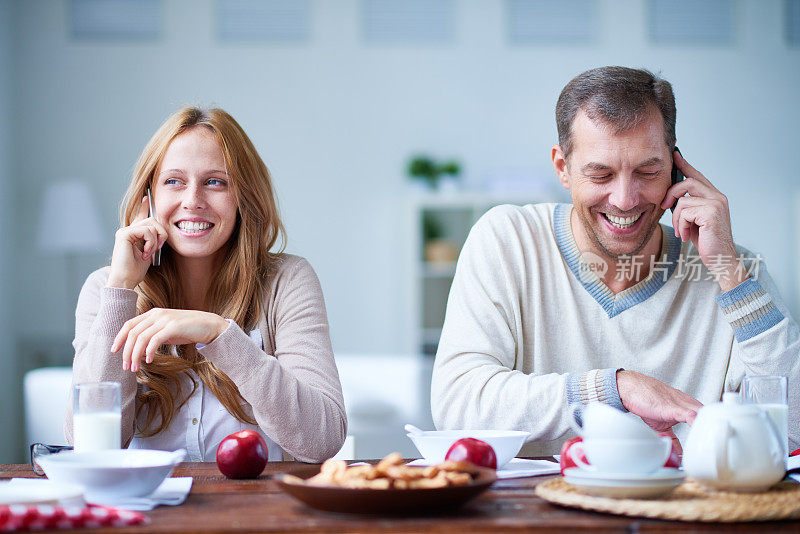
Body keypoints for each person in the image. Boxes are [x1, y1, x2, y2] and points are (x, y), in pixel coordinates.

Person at [431, 66, 800, 456]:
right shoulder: (508, 240)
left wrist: (730, 271)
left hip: (687, 514)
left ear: (675, 168)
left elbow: (792, 434)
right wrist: (614, 389)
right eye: (601, 174)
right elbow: (457, 405)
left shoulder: (735, 269)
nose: (625, 199)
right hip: (537, 513)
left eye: (648, 171)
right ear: (563, 168)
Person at [64, 107, 347, 462]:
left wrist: (219, 335)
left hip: (259, 514)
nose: (193, 201)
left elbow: (322, 441)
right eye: (173, 181)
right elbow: (88, 446)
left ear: (244, 197)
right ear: (147, 199)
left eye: (215, 182)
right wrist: (121, 288)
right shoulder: (103, 289)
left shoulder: (287, 281)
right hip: (143, 512)